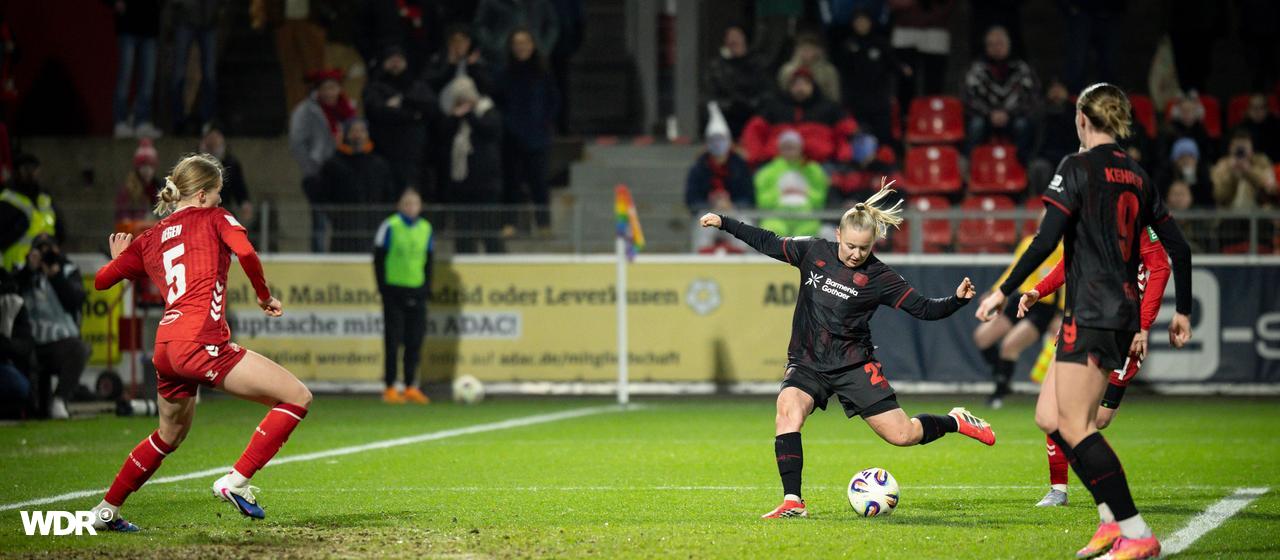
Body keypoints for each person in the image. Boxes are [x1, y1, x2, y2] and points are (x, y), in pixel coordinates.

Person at [974, 83, 1194, 560]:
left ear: (1081, 119)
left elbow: (1043, 239)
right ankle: (1110, 522)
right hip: (1112, 311)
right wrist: (1183, 311)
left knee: (1077, 425)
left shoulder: (1075, 168)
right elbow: (1180, 248)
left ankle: (1134, 531)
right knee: (1048, 418)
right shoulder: (1137, 175)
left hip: (1094, 311)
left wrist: (1003, 291)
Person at [699, 181, 993, 520]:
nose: (856, 254)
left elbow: (924, 309)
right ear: (838, 234)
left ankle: (955, 420)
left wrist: (956, 300)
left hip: (853, 365)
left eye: (864, 249)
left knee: (903, 435)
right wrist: (725, 221)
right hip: (807, 361)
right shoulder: (812, 251)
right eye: (851, 246)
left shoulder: (880, 276)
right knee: (788, 410)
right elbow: (767, 240)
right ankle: (793, 501)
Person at [90, 153, 313, 531]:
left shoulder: (151, 236)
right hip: (201, 342)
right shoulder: (215, 218)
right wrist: (263, 296)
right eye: (219, 193)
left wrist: (119, 259)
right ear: (205, 195)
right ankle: (235, 481)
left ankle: (104, 511)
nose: (222, 201)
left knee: (168, 435)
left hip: (166, 348)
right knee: (296, 396)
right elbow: (245, 251)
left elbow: (101, 281)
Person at [1021, 226, 1170, 508]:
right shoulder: (1081, 216)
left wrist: (1144, 324)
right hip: (1080, 324)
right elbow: (1069, 265)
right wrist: (1038, 291)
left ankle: (1113, 499)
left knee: (1095, 421)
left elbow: (1161, 268)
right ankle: (1059, 489)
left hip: (1120, 330)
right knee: (1054, 412)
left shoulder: (1135, 212)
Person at [971, 227, 1063, 409]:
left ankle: (999, 392)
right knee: (982, 337)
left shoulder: (1064, 248)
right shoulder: (1029, 242)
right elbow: (1015, 268)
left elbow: (1065, 279)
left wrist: (1061, 311)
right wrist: (996, 292)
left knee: (1009, 345)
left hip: (1044, 306)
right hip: (1019, 299)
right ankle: (1002, 377)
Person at [16, 234, 88, 420]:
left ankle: (59, 400)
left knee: (79, 349)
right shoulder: (23, 271)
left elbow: (75, 300)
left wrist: (55, 275)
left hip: (60, 341)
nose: (45, 256)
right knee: (37, 412)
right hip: (30, 342)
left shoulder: (67, 270)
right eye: (40, 251)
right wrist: (29, 270)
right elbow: (13, 289)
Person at [374, 189, 434, 405]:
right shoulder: (390, 226)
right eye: (407, 203)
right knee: (393, 340)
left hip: (417, 291)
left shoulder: (426, 228)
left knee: (414, 341)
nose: (411, 207)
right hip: (394, 291)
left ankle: (410, 386)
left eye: (414, 204)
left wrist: (427, 288)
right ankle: (390, 387)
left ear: (420, 206)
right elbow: (378, 259)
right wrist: (383, 288)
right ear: (400, 206)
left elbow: (429, 261)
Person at [497, 27, 559, 231]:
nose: (521, 47)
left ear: (533, 45)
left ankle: (543, 224)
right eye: (517, 43)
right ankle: (510, 223)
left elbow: (554, 101)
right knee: (511, 182)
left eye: (525, 43)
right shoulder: (504, 73)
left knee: (539, 182)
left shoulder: (543, 72)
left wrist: (545, 123)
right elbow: (499, 102)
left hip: (538, 136)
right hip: (511, 136)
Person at [435, 75, 505, 254]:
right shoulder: (454, 117)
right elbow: (442, 135)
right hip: (461, 185)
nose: (464, 101)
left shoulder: (488, 111)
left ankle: (496, 264)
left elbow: (490, 131)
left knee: (489, 229)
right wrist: (456, 117)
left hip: (486, 184)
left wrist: (470, 115)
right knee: (464, 232)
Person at [289, 69, 354, 253]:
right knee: (320, 220)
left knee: (344, 221)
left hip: (343, 173)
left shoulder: (347, 110)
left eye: (333, 87)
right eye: (326, 88)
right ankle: (319, 257)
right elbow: (297, 143)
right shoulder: (305, 111)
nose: (330, 92)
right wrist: (311, 168)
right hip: (319, 174)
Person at [740, 67, 856, 167]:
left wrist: (843, 160)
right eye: (796, 84)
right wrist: (757, 158)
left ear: (813, 86)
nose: (800, 88)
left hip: (820, 164)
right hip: (777, 164)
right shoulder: (774, 107)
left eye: (805, 83)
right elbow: (754, 131)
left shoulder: (830, 108)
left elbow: (847, 133)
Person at [364, 46, 435, 192]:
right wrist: (413, 115)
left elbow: (431, 108)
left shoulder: (417, 85)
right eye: (391, 60)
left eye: (399, 60)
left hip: (415, 153)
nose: (395, 64)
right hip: (384, 150)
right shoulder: (375, 87)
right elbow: (377, 111)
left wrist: (402, 102)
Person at [320, 118, 397, 253]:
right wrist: (335, 216)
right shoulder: (333, 165)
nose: (358, 135)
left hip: (373, 226)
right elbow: (324, 195)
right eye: (354, 131)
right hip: (344, 229)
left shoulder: (379, 164)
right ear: (346, 134)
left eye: (362, 131)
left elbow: (389, 194)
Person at [962, 25, 1039, 159]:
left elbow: (1031, 98)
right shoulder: (976, 70)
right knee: (976, 125)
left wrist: (1009, 113)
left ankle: (1023, 167)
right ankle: (970, 166)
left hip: (1013, 117)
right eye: (991, 44)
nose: (996, 48)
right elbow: (969, 99)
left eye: (1000, 44)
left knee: (1023, 125)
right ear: (986, 47)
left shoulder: (1022, 69)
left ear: (1008, 44)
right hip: (986, 118)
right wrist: (989, 113)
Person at [687, 103, 753, 253]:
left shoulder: (740, 166)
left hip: (735, 211)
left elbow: (749, 197)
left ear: (729, 141)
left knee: (745, 229)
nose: (717, 143)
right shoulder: (698, 168)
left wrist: (731, 204)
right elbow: (691, 199)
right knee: (702, 229)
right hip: (707, 211)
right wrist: (711, 204)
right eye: (714, 139)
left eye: (721, 139)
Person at [833, 10, 906, 146]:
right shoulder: (848, 45)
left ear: (871, 23)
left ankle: (884, 162)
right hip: (857, 101)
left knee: (883, 137)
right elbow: (843, 72)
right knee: (860, 137)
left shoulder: (881, 44)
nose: (861, 25)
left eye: (864, 21)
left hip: (879, 100)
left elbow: (893, 66)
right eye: (858, 22)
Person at [754, 131, 829, 238]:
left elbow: (820, 199)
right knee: (770, 233)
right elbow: (762, 201)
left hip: (806, 220)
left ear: (800, 148)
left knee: (809, 236)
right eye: (786, 147)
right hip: (776, 218)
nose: (789, 150)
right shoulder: (766, 173)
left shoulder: (814, 171)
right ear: (779, 148)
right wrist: (780, 193)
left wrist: (805, 192)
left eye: (793, 146)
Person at [1, 154, 62, 271]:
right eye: (26, 169)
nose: (31, 173)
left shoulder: (44, 197)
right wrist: (17, 228)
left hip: (46, 267)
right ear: (17, 172)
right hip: (16, 269)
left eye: (34, 169)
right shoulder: (7, 199)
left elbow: (60, 230)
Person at [704, 25, 767, 139]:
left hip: (752, 113)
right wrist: (728, 105)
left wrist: (752, 104)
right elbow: (711, 94)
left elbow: (764, 90)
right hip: (727, 115)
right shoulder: (717, 66)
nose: (733, 40)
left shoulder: (757, 63)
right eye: (729, 37)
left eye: (737, 36)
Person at [168, 0, 221, 134]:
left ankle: (206, 120)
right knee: (178, 73)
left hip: (209, 17)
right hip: (186, 17)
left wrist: (217, 8)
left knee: (209, 74)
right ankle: (178, 120)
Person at [112, 0, 162, 139]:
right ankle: (120, 121)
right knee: (125, 77)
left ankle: (142, 121)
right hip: (127, 24)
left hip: (150, 25)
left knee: (148, 79)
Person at [472, 0, 558, 70]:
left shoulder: (542, 2)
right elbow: (480, 25)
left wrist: (544, 47)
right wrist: (494, 46)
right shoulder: (491, 2)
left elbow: (552, 25)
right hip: (501, 57)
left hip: (536, 57)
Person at [1211, 128, 1277, 210]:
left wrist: (1249, 170)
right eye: (1238, 147)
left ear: (1252, 147)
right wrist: (1232, 174)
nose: (1241, 150)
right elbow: (1219, 196)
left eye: (1245, 146)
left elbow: (1270, 188)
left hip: (1259, 213)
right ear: (1230, 148)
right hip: (1229, 214)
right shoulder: (1223, 165)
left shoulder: (1261, 161)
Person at [200, 124, 253, 223]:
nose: (213, 140)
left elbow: (238, 186)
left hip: (222, 209)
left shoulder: (230, 163)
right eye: (210, 136)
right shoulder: (195, 161)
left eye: (216, 136)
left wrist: (244, 203)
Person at [422, 24, 493, 96]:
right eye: (457, 41)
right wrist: (451, 63)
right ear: (449, 42)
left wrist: (472, 67)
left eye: (466, 41)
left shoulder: (473, 62)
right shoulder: (437, 60)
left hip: (467, 102)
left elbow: (485, 88)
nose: (461, 45)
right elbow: (431, 85)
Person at [776, 33, 841, 106]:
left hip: (821, 110)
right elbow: (781, 94)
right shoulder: (787, 70)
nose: (807, 52)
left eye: (811, 49)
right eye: (803, 48)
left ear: (818, 50)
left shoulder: (828, 71)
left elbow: (834, 96)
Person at [1153, 137, 1213, 208]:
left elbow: (1206, 200)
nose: (1186, 161)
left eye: (1190, 157)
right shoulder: (1164, 176)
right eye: (1182, 157)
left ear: (1196, 160)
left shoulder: (1203, 176)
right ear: (1175, 160)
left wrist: (1191, 178)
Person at [115, 139, 162, 225]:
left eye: (150, 166)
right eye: (143, 165)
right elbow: (123, 218)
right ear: (137, 167)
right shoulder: (128, 189)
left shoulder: (158, 187)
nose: (147, 170)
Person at [1238, 93, 1280, 162]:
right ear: (1248, 110)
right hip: (1246, 166)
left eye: (1261, 108)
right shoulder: (1240, 129)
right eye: (1253, 107)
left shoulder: (1276, 128)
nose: (1257, 111)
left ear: (1267, 109)